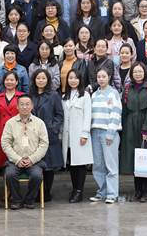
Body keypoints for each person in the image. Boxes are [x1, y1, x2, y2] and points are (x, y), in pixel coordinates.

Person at [120, 63, 147, 202]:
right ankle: (138, 190)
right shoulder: (127, 88)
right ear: (131, 74)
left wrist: (145, 128)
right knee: (135, 158)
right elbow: (124, 109)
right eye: (135, 72)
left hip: (145, 125)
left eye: (140, 71)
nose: (137, 74)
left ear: (144, 73)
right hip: (130, 125)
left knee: (145, 157)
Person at [1, 95, 48, 210]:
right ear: (17, 106)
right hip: (15, 160)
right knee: (10, 174)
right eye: (21, 104)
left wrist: (32, 159)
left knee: (37, 176)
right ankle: (16, 200)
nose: (25, 107)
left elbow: (44, 144)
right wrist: (17, 159)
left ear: (32, 106)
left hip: (34, 161)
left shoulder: (39, 123)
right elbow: (5, 143)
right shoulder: (10, 123)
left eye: (27, 104)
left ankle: (29, 200)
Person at [29, 70, 64, 203]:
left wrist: (53, 128)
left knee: (49, 165)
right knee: (36, 164)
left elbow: (59, 115)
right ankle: (36, 191)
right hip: (33, 134)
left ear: (48, 80)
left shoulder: (54, 95)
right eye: (38, 78)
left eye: (43, 78)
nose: (41, 80)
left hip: (49, 134)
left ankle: (46, 192)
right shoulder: (30, 95)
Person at [89, 67, 122, 204]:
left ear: (109, 77)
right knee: (98, 165)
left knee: (111, 165)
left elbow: (116, 113)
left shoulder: (113, 93)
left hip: (109, 133)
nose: (101, 79)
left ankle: (112, 194)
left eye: (104, 76)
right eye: (99, 77)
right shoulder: (94, 95)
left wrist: (110, 133)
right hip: (95, 132)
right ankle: (102, 192)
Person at [61, 69, 93, 203]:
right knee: (72, 163)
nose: (73, 80)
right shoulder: (64, 96)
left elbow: (88, 116)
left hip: (80, 135)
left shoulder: (85, 95)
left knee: (80, 164)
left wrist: (85, 133)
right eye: (70, 78)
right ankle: (74, 189)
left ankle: (79, 191)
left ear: (80, 80)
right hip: (67, 136)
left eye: (75, 78)